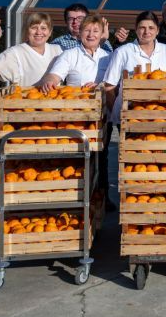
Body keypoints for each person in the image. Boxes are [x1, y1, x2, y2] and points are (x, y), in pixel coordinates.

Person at [40, 15, 113, 209]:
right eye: (87, 30)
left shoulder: (108, 56)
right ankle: (76, 199)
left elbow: (114, 81)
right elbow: (55, 74)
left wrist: (100, 85)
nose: (91, 34)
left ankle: (102, 198)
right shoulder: (70, 55)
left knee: (101, 158)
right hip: (75, 116)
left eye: (95, 31)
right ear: (80, 33)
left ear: (101, 35)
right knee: (77, 157)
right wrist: (50, 81)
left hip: (101, 115)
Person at [102, 11, 166, 130]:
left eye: (151, 28)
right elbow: (109, 86)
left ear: (157, 30)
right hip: (129, 117)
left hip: (162, 116)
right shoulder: (123, 52)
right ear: (136, 29)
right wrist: (118, 113)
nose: (147, 32)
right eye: (142, 28)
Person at [0, 14, 62, 87]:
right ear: (27, 31)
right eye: (34, 27)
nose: (39, 32)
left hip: (56, 103)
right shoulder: (16, 53)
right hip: (27, 103)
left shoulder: (57, 50)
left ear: (50, 32)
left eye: (43, 28)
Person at [51, 3, 123, 53]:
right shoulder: (59, 43)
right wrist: (100, 42)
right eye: (71, 18)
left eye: (80, 18)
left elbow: (111, 61)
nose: (75, 22)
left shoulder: (104, 40)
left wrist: (118, 43)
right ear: (66, 22)